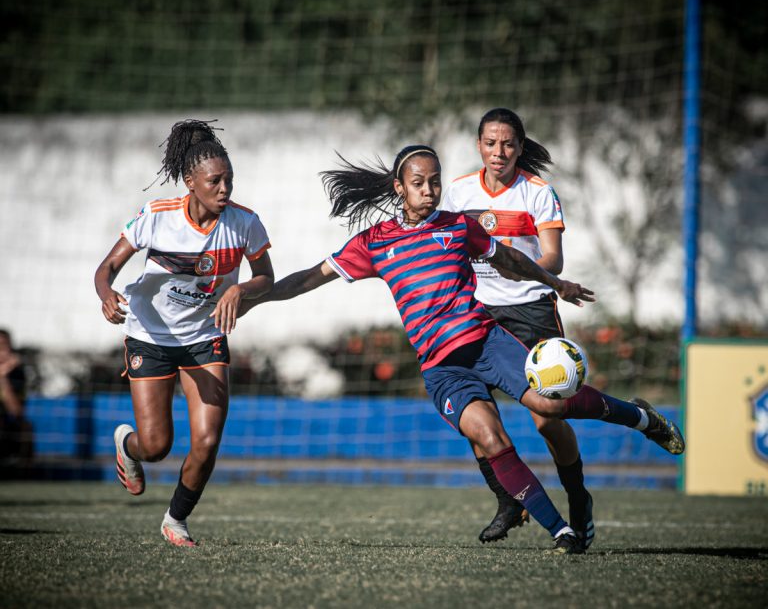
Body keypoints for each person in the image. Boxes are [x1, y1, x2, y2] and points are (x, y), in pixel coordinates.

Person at [239, 145, 685, 554]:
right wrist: (253, 296)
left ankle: (643, 419)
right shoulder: (374, 243)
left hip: (487, 343)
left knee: (551, 406)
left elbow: (508, 259)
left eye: (435, 181)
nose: (430, 190)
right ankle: (561, 532)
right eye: (419, 183)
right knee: (490, 439)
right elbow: (310, 278)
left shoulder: (457, 227)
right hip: (442, 369)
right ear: (399, 187)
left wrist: (555, 283)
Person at [94, 120, 274, 546]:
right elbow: (107, 269)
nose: (225, 188)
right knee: (156, 446)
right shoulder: (157, 218)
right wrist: (106, 295)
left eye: (229, 179)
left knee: (207, 440)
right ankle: (127, 445)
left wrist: (241, 290)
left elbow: (266, 276)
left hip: (204, 337)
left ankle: (176, 519)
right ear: (190, 182)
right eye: (215, 180)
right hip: (150, 337)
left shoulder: (245, 223)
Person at [441, 107, 591, 548]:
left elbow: (553, 260)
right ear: (478, 145)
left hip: (530, 312)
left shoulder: (538, 192)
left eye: (507, 144)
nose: (498, 152)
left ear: (520, 147)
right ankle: (508, 501)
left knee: (547, 417)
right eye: (490, 143)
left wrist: (520, 271)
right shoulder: (458, 191)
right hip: (474, 313)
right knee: (476, 416)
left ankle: (578, 498)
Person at [0, 328, 34, 466]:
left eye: (3, 346)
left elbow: (16, 411)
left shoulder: (17, 373)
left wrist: (2, 376)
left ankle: (22, 474)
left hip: (8, 424)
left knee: (26, 427)